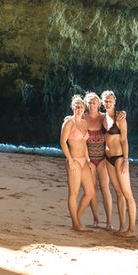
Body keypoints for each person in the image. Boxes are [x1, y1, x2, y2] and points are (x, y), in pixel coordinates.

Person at [101, 89, 137, 236]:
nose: (108, 102)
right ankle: (122, 227)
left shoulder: (120, 117)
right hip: (108, 159)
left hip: (120, 158)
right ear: (103, 103)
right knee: (118, 193)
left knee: (127, 193)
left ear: (115, 101)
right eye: (106, 100)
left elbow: (124, 140)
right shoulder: (102, 118)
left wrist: (126, 160)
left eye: (110, 100)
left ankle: (132, 229)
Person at [79, 91, 115, 229]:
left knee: (105, 188)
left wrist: (123, 113)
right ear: (86, 105)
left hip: (103, 159)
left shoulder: (104, 117)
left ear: (99, 103)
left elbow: (116, 116)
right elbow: (73, 120)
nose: (92, 104)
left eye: (94, 101)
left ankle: (109, 222)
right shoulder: (83, 118)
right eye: (89, 102)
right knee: (92, 189)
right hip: (89, 159)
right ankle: (95, 220)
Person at [59, 95, 95, 231]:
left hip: (84, 161)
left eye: (81, 106)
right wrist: (70, 160)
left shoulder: (85, 123)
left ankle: (77, 218)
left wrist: (89, 159)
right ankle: (75, 223)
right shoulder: (68, 123)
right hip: (73, 160)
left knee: (90, 192)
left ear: (84, 107)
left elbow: (85, 143)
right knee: (73, 193)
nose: (79, 108)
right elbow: (62, 142)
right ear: (72, 107)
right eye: (76, 106)